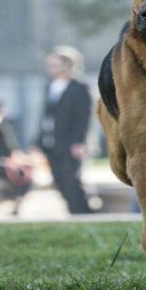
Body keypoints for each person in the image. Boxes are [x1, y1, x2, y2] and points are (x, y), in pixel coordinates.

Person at [36, 46, 93, 214]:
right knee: (59, 180)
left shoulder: (80, 87)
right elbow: (46, 116)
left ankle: (84, 214)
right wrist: (38, 142)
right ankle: (73, 213)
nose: (50, 68)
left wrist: (80, 142)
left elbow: (84, 117)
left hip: (71, 144)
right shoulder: (51, 86)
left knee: (71, 181)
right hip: (51, 143)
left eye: (54, 64)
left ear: (68, 65)